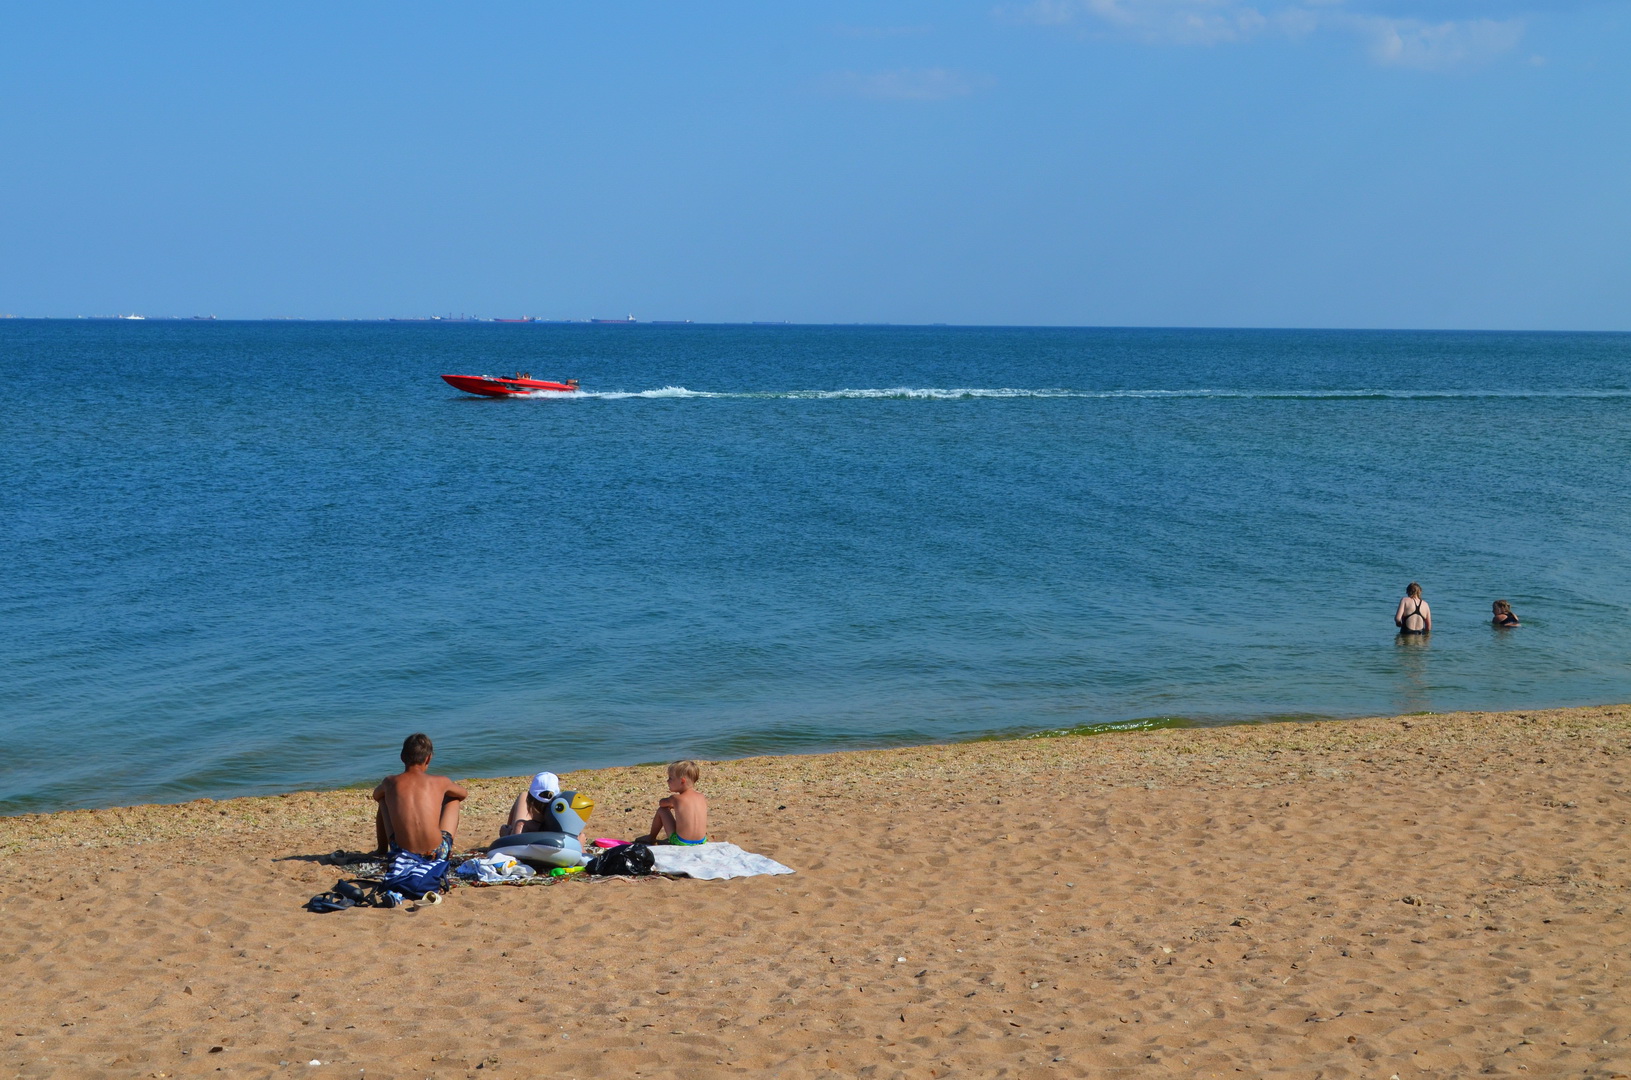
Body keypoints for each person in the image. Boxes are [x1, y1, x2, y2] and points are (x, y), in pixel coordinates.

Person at [373, 733, 468, 896]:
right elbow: (463, 793)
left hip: (401, 849)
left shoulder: (390, 781)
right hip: (436, 852)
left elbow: (376, 795)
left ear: (402, 757)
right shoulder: (440, 781)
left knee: (383, 801)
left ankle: (381, 849)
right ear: (428, 758)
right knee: (454, 800)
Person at [635, 760, 709, 846]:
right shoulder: (701, 797)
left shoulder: (675, 798)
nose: (667, 781)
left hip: (682, 841)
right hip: (701, 840)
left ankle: (651, 836)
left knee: (662, 810)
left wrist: (671, 804)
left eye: (670, 778)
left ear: (682, 781)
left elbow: (661, 803)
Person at [500, 771, 562, 837]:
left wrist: (505, 836)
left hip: (521, 840)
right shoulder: (563, 825)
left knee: (523, 794)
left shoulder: (522, 826)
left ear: (529, 800)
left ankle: (509, 830)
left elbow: (512, 847)